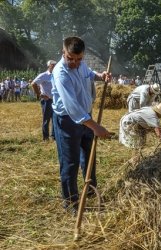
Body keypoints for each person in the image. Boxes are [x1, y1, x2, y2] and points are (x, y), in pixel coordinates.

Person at [51, 36, 111, 214]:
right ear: (64, 52)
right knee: (70, 163)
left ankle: (90, 190)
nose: (75, 63)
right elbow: (73, 108)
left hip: (87, 118)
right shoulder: (60, 73)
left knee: (89, 155)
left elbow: (89, 74)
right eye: (71, 58)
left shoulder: (81, 64)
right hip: (68, 121)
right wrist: (96, 127)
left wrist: (100, 76)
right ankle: (71, 203)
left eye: (79, 59)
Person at [32, 60, 57, 141]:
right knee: (46, 119)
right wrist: (40, 94)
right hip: (47, 101)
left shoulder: (56, 75)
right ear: (49, 66)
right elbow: (34, 84)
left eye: (55, 65)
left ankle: (53, 137)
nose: (54, 66)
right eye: (52, 65)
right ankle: (45, 138)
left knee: (55, 119)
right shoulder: (43, 75)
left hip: (55, 101)